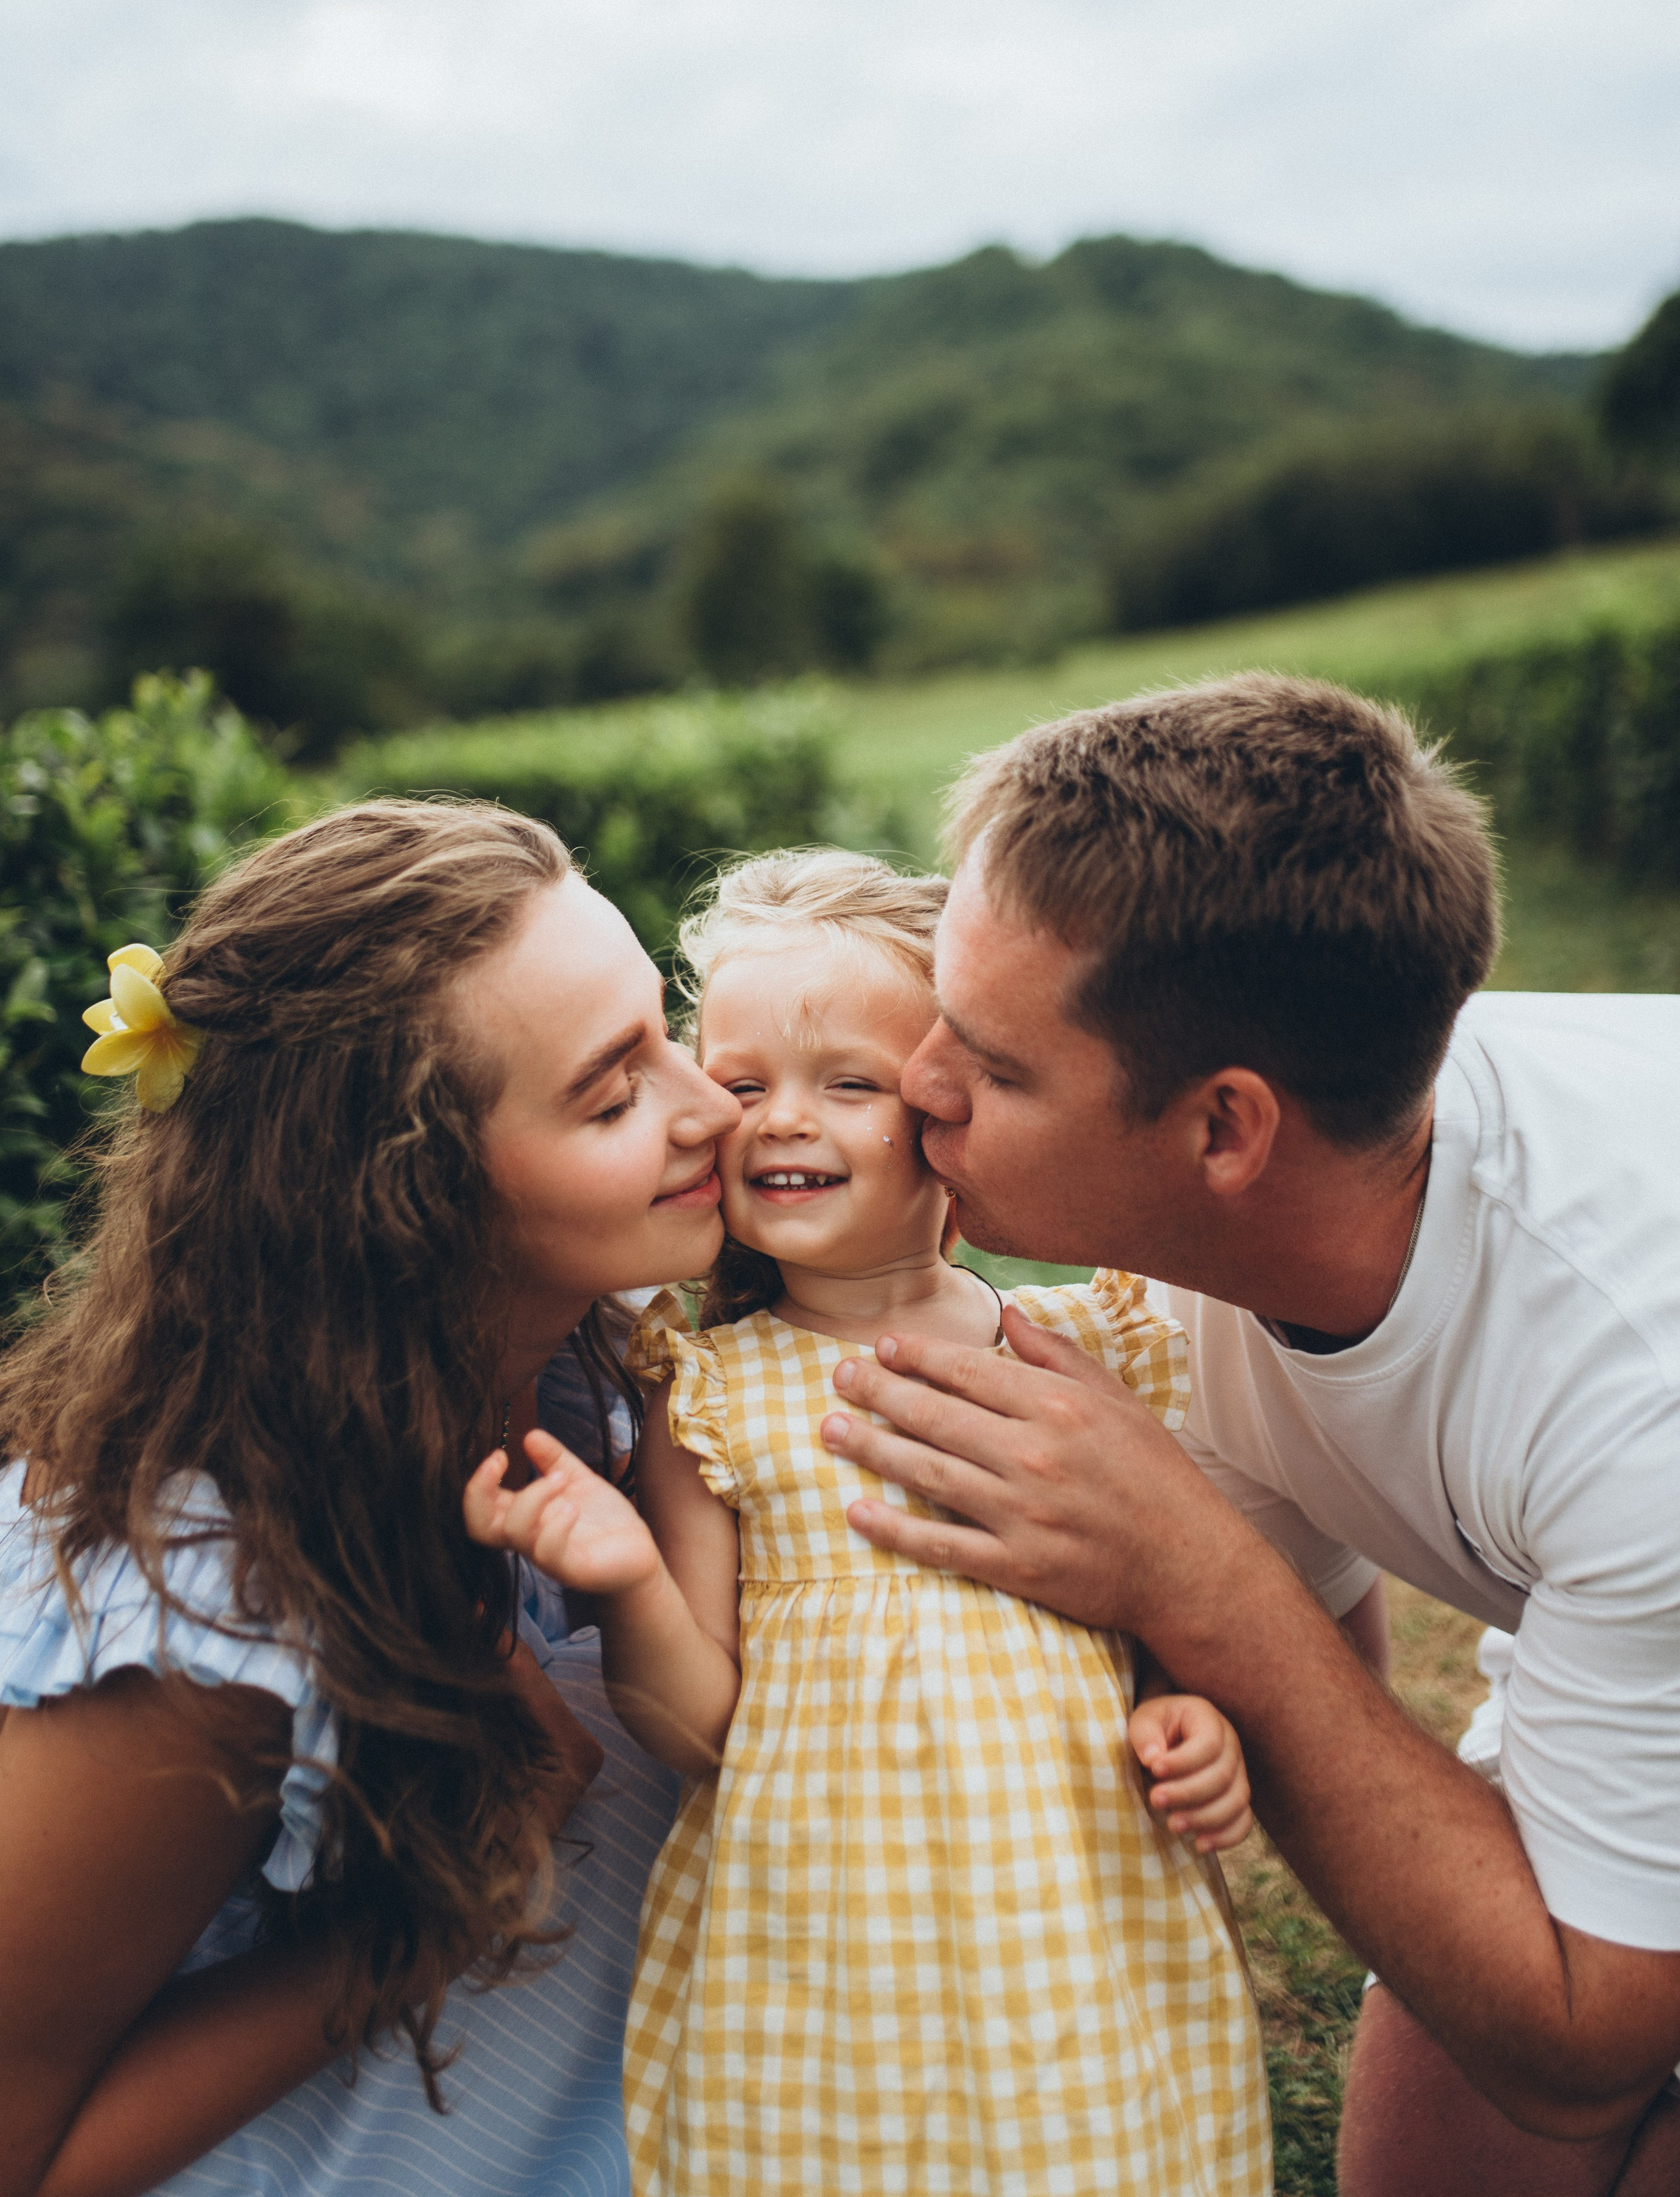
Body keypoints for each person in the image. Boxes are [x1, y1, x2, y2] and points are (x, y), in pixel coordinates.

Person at [805, 677, 1680, 2197]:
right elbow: (1340, 1762)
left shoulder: (1631, 1395)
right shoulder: (1257, 1225)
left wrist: (1196, 1577)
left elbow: (1577, 2042)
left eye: (994, 1067)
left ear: (1223, 1130)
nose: (919, 1085)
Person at [468, 849, 1270, 2197]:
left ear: (946, 1109)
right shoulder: (707, 1389)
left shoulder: (1081, 1347)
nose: (784, 1120)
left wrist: (1186, 1715)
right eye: (738, 1085)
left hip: (1070, 1911)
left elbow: (1159, 1598)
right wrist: (628, 1585)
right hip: (824, 1944)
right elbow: (698, 1725)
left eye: (850, 1083)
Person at [0, 798, 743, 2197]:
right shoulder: (202, 1604)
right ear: (414, 1201)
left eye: (667, 1028)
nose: (710, 1105)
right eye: (612, 1091)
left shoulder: (591, 1360)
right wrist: (447, 1898)